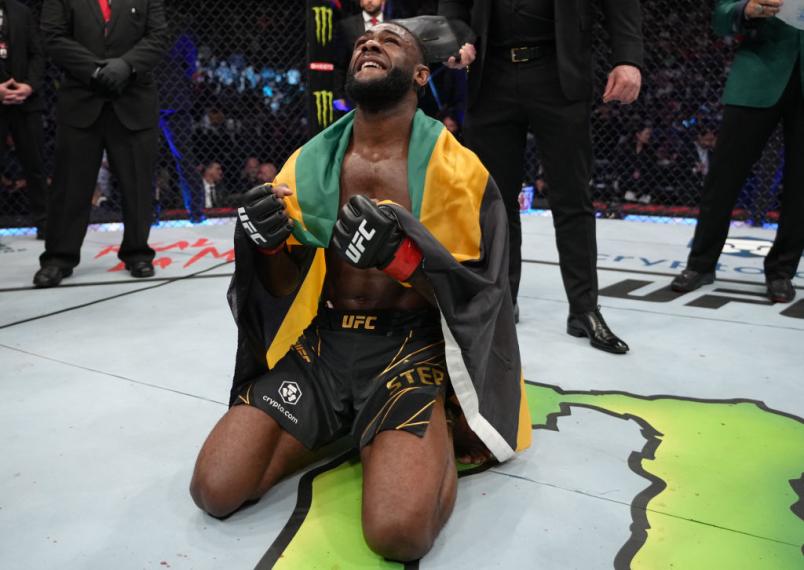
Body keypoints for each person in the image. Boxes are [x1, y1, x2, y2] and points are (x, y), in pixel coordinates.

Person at [190, 22, 530, 562]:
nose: (370, 44)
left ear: (420, 73)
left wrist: (400, 258)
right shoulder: (309, 162)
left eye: (390, 41)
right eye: (364, 43)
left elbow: (480, 297)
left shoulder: (460, 171)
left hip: (408, 350)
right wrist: (270, 245)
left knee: (398, 534)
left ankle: (426, 427)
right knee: (215, 489)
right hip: (323, 350)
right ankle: (345, 425)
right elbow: (282, 288)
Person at [438, 0, 644, 354]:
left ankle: (584, 308)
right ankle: (501, 301)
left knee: (572, 196)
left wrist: (628, 59)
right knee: (494, 200)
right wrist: (457, 38)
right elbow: (452, 7)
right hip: (492, 75)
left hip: (559, 72)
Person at [671, 0, 803, 304]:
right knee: (724, 177)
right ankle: (700, 265)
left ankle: (781, 271)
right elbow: (720, 16)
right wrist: (746, 9)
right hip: (757, 76)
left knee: (801, 187)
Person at [33, 0, 169, 288]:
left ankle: (137, 253)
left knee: (138, 184)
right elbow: (53, 36)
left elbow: (158, 36)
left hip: (132, 99)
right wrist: (96, 70)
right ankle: (59, 258)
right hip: (82, 98)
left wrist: (126, 66)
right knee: (69, 187)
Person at [0, 0, 47, 239]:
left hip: (25, 100)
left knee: (35, 164)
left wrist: (29, 86)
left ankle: (45, 223)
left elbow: (37, 53)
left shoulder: (20, 11)